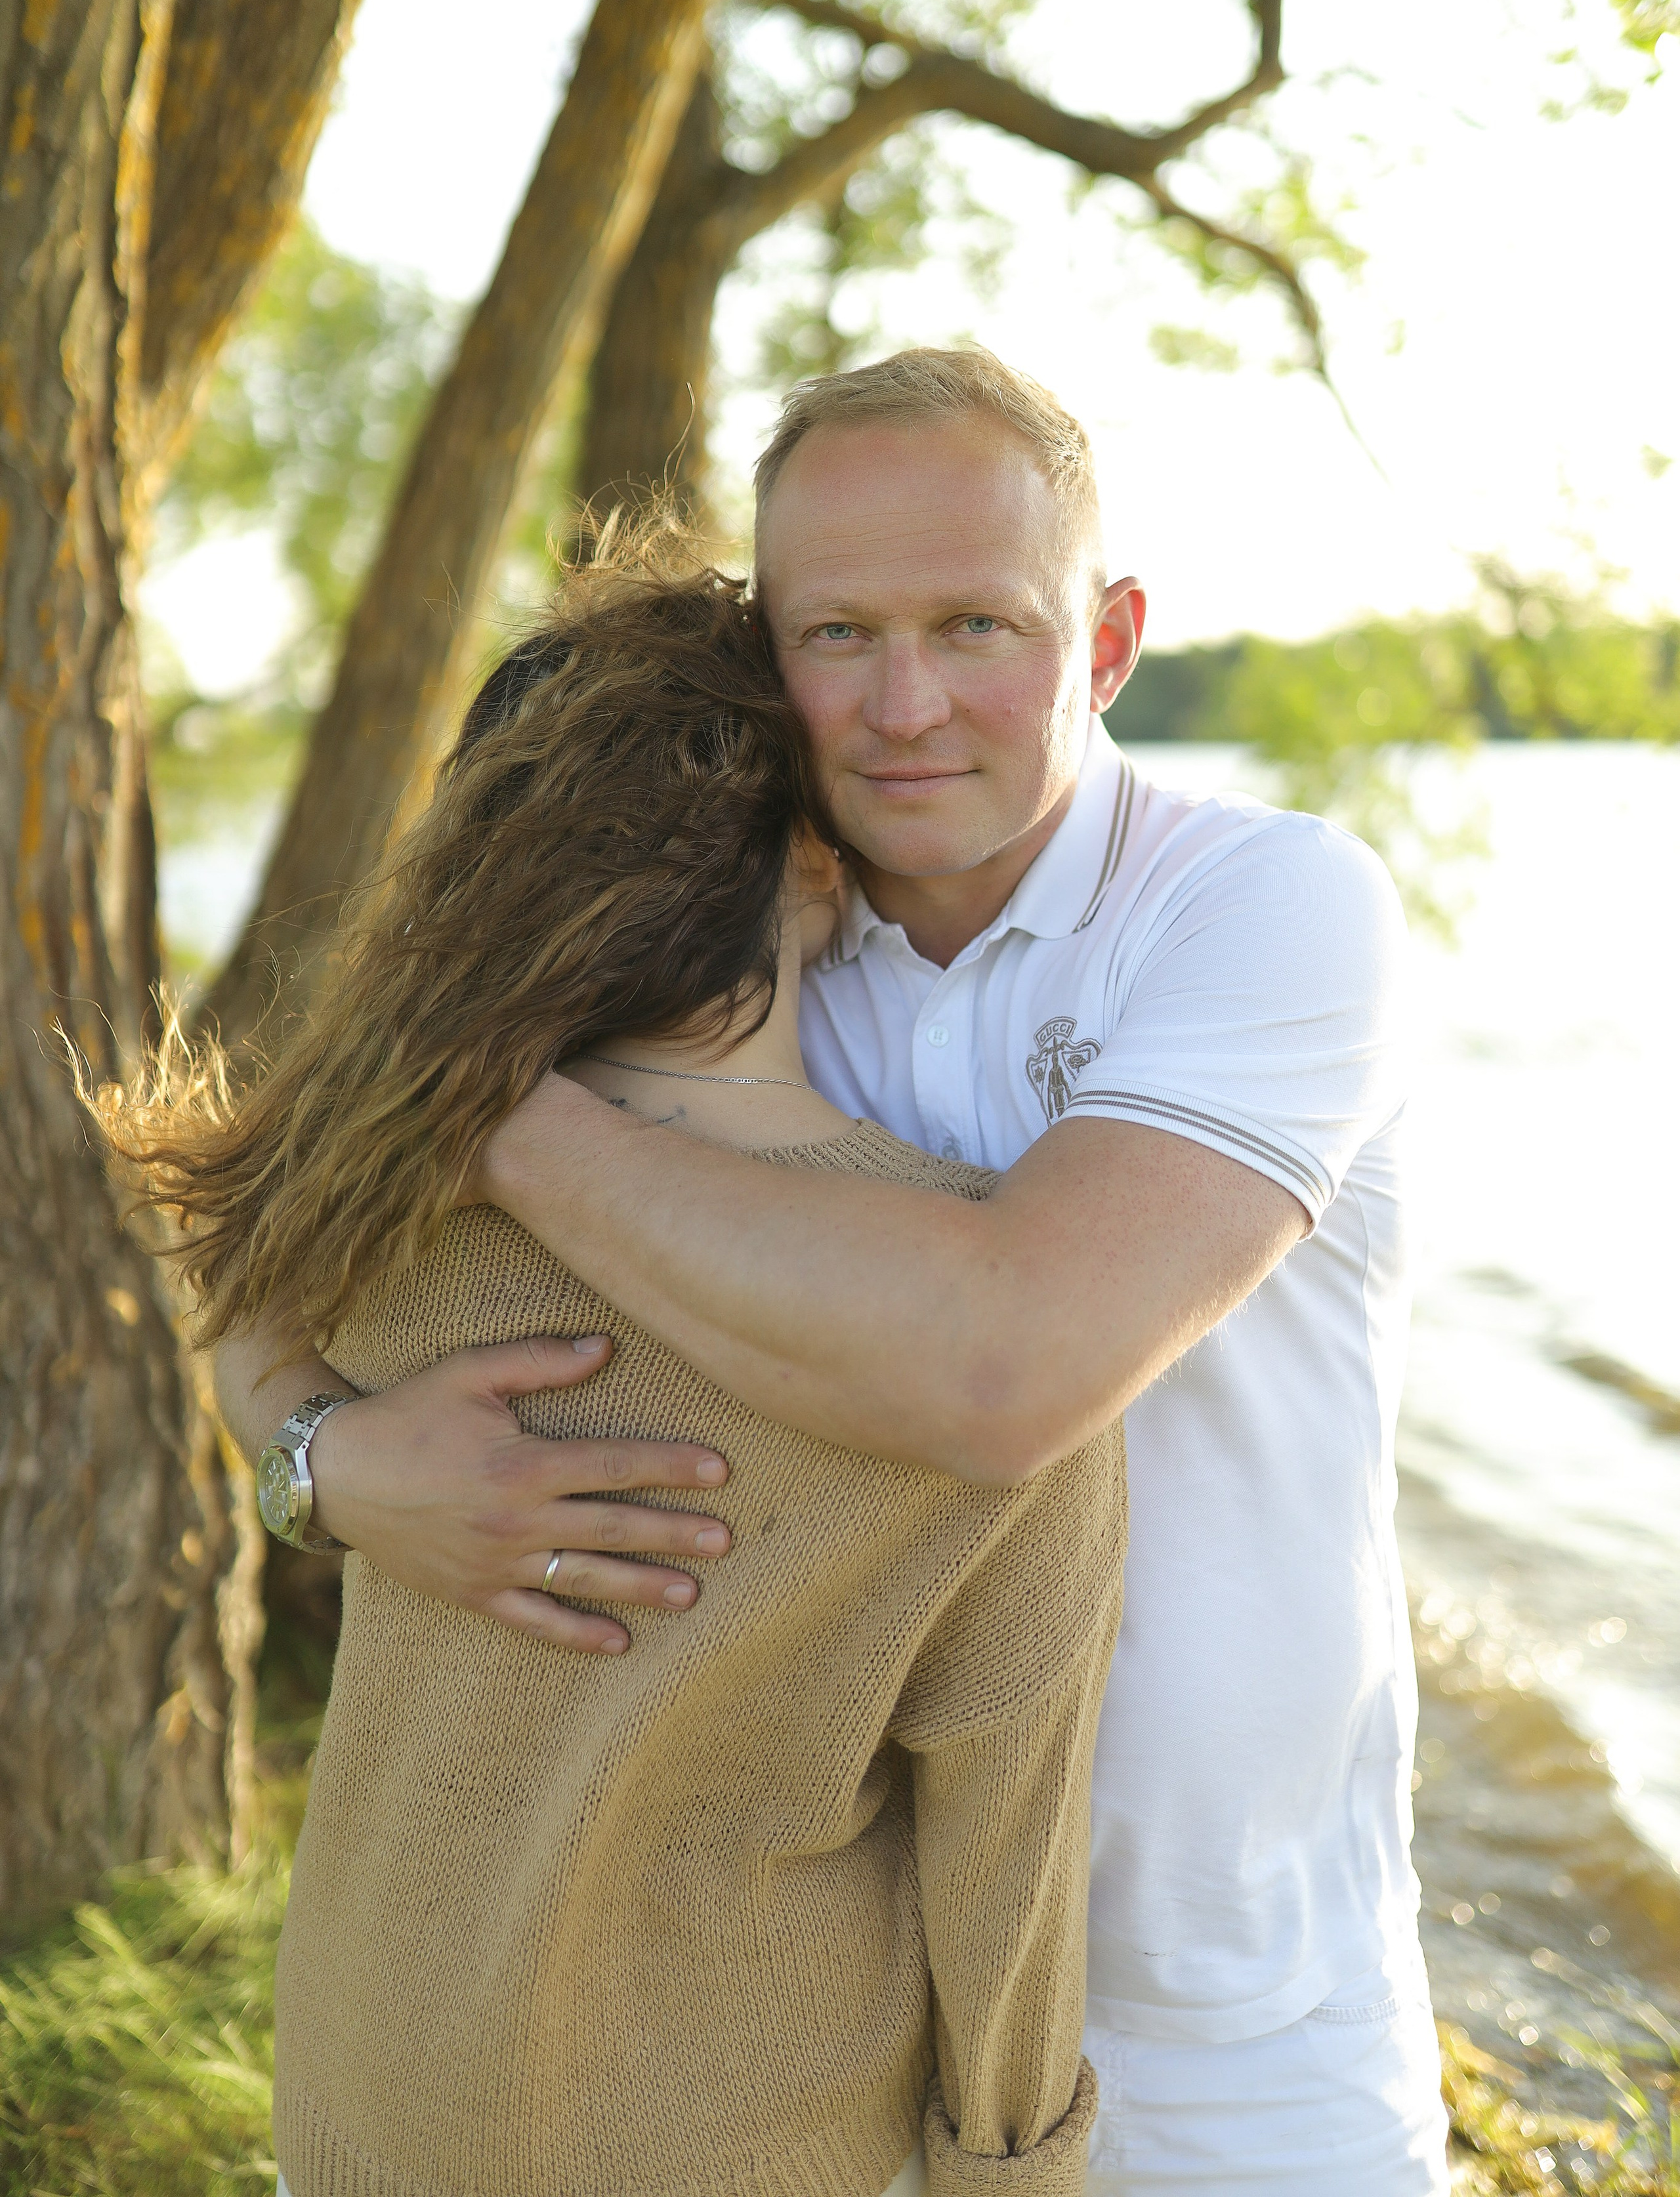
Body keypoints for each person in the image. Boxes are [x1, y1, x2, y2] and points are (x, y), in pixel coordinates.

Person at [219, 346, 1448, 2194]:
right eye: (838, 634)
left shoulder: (1266, 912)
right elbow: (256, 1241)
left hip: (1238, 1999)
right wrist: (329, 1455)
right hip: (841, 2003)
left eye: (977, 626)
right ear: (764, 656)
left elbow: (1005, 1377)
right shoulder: (739, 937)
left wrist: (486, 1106)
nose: (904, 705)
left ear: (1107, 645)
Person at [113, 535, 1126, 2197]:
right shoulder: (974, 1346)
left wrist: (325, 1459)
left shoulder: (387, 1202)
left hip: (363, 2088)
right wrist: (1011, 2171)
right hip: (738, 2152)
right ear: (813, 864)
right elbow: (1002, 1873)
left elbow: (234, 1294)